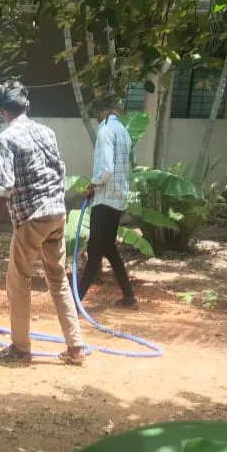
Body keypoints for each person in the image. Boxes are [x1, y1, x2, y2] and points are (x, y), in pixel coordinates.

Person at [0, 82, 87, 365]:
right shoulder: (47, 132)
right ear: (27, 106)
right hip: (56, 214)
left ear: (3, 112)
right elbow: (58, 169)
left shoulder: (7, 137)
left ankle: (20, 347)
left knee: (18, 282)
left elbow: (4, 184)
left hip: (31, 217)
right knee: (58, 278)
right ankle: (75, 346)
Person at [76, 97, 138, 307]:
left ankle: (76, 300)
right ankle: (129, 295)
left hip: (104, 198)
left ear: (101, 112)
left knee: (94, 250)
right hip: (118, 197)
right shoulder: (124, 132)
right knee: (109, 248)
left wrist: (92, 185)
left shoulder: (105, 131)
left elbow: (106, 169)